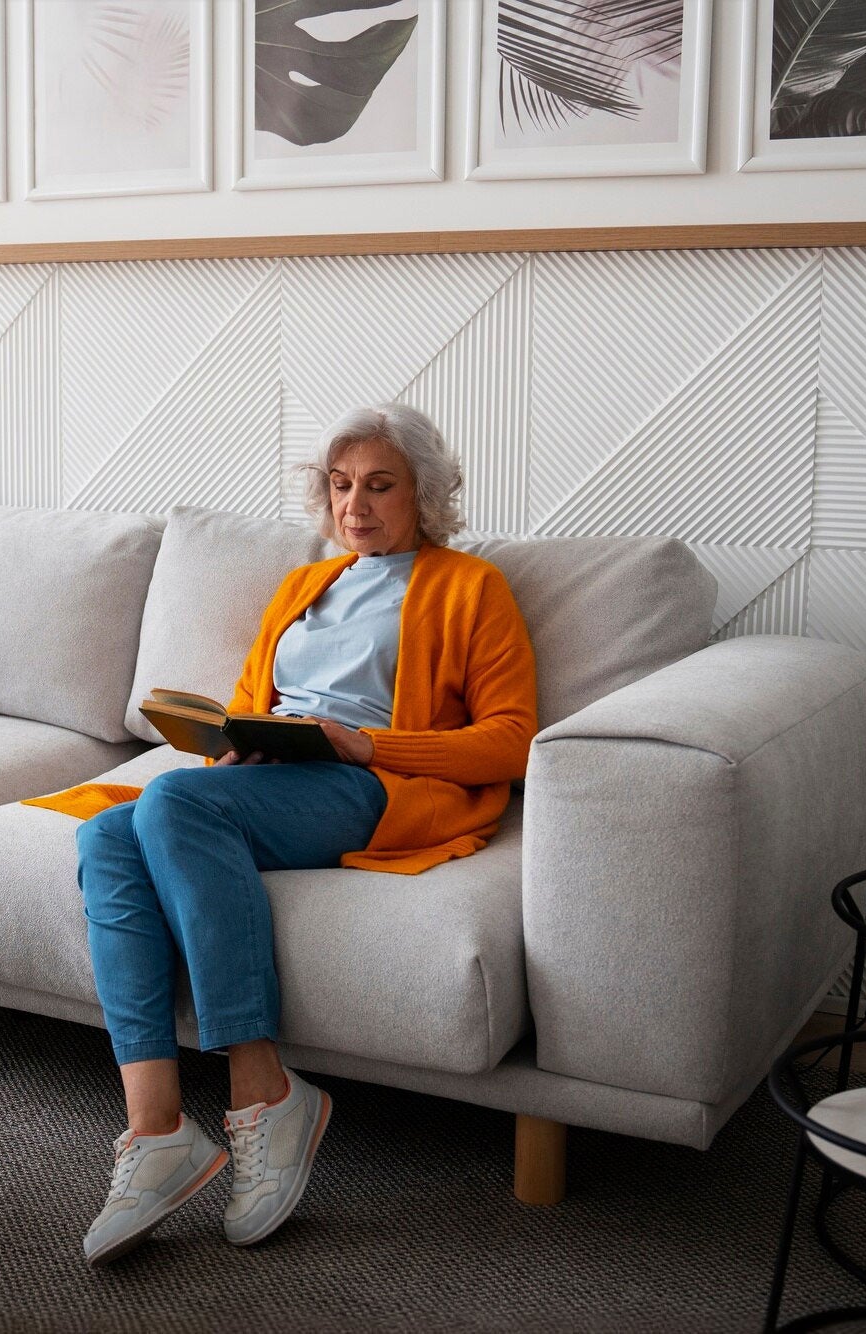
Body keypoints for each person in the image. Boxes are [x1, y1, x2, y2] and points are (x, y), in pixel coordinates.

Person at [37, 402, 537, 1265]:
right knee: (109, 838)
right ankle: (157, 1129)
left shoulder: (469, 586)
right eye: (342, 487)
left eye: (380, 486)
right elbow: (251, 700)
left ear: (425, 493)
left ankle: (263, 1090)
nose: (356, 506)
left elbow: (511, 738)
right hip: (281, 774)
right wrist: (239, 743)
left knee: (165, 807)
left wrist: (365, 740)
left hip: (372, 782)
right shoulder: (306, 585)